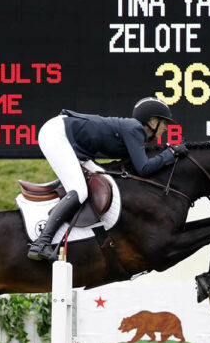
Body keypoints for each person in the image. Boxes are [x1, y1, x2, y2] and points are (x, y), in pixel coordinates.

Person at [27, 97, 187, 261]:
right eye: (164, 123)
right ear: (152, 121)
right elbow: (144, 168)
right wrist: (171, 153)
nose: (166, 128)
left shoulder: (134, 131)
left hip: (67, 137)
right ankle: (42, 242)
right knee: (80, 191)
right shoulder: (135, 129)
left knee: (96, 178)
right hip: (57, 134)